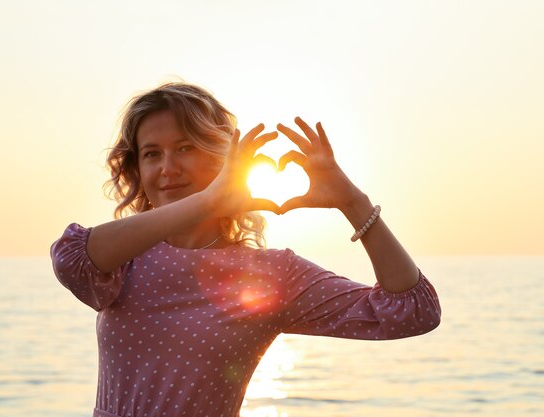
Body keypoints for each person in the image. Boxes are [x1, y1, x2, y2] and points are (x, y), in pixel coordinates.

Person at [50, 82, 441, 417]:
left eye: (185, 149)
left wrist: (352, 202)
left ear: (221, 159)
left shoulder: (271, 275)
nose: (167, 168)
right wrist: (208, 202)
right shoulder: (123, 256)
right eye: (152, 153)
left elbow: (412, 311)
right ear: (137, 168)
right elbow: (71, 258)